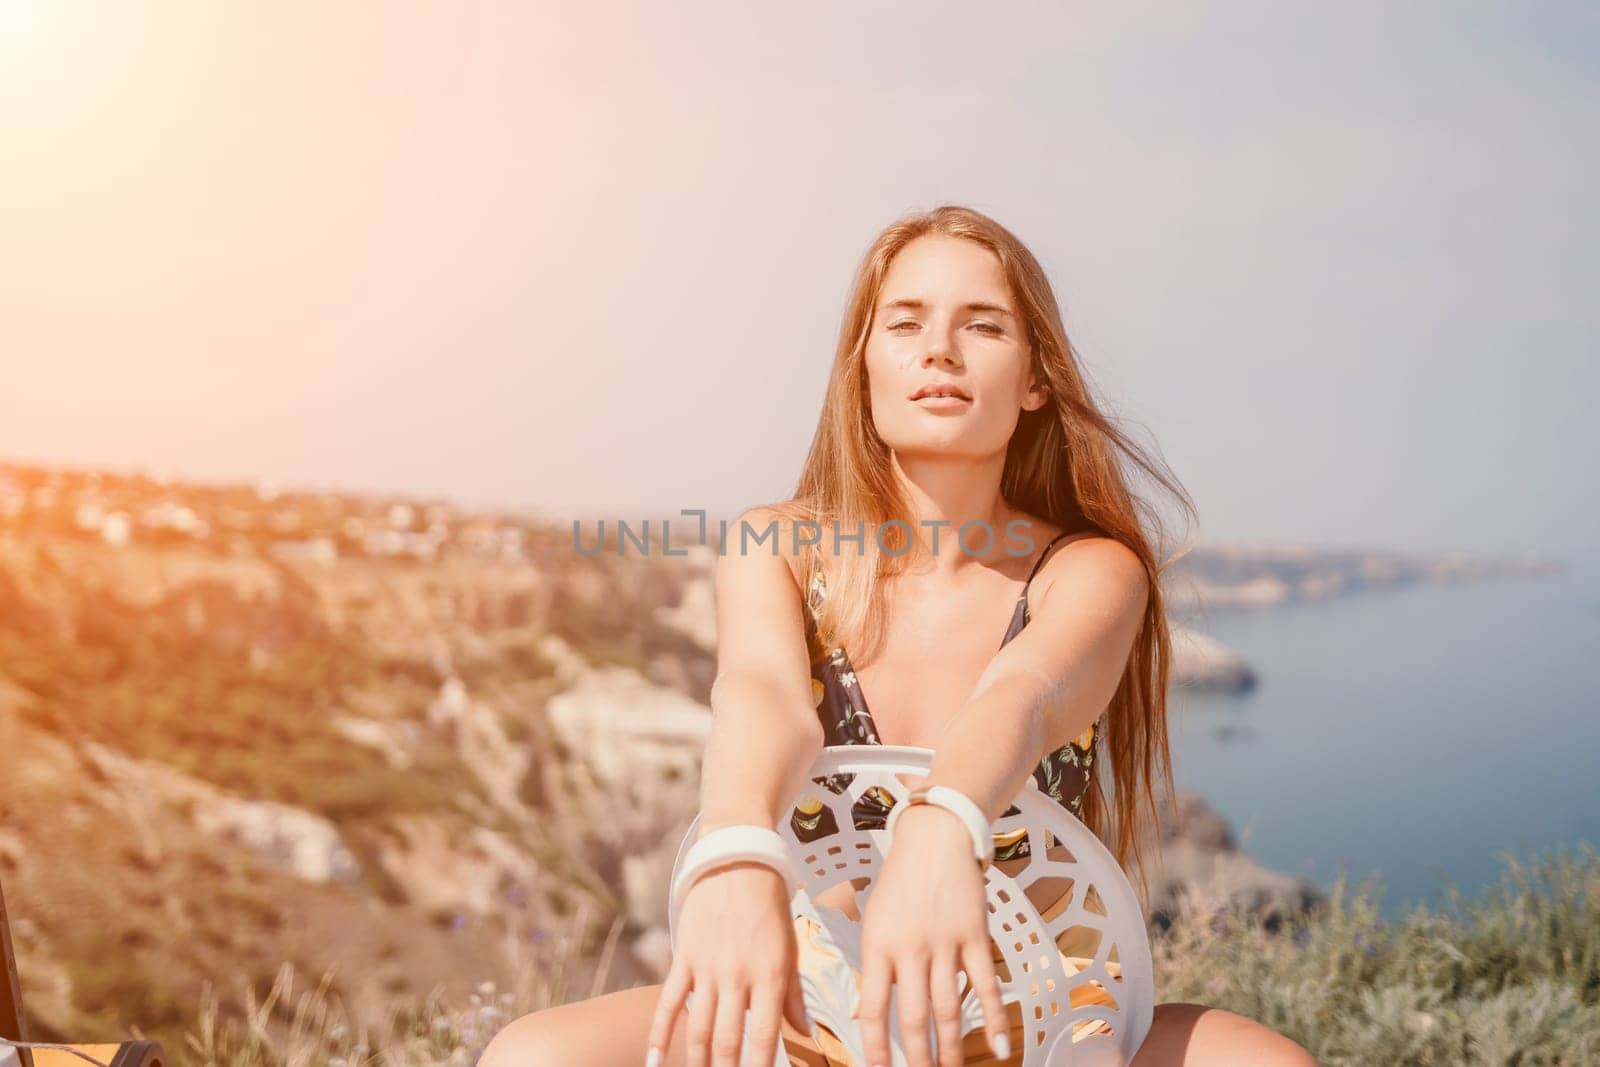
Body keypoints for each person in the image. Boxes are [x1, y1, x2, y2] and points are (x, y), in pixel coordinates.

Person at [480, 206, 1318, 1066]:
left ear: (1035, 378)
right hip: (816, 1024)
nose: (940, 349)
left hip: (1045, 1024)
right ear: (864, 367)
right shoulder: (781, 547)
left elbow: (1023, 695)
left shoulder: (1090, 569)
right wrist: (735, 849)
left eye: (983, 325)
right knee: (532, 1054)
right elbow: (762, 694)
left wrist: (942, 821)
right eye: (906, 322)